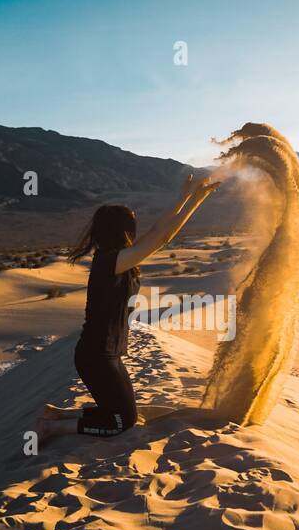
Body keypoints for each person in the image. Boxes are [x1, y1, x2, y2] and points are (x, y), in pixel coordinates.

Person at [37, 174, 220, 441]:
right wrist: (194, 199)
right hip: (96, 356)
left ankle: (57, 414)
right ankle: (52, 427)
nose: (137, 227)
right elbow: (162, 236)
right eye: (132, 222)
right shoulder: (111, 261)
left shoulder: (118, 258)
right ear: (121, 229)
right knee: (122, 423)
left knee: (122, 412)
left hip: (106, 354)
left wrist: (188, 198)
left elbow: (160, 229)